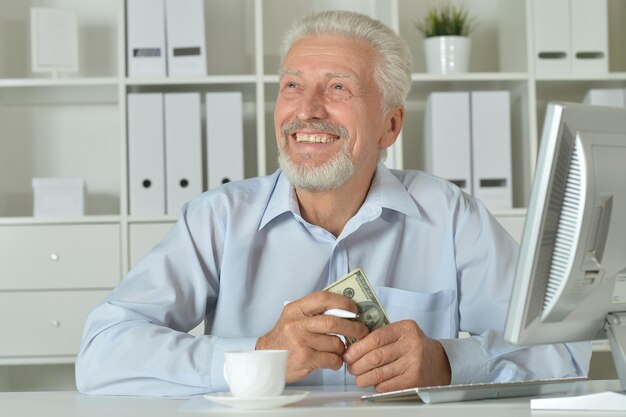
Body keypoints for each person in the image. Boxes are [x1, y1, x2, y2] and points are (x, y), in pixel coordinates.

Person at [76, 10, 591, 397]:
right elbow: (101, 354)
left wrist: (448, 364)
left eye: (338, 87)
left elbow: (563, 354)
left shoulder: (452, 216)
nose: (306, 110)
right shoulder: (216, 219)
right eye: (292, 86)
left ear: (391, 124)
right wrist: (257, 357)